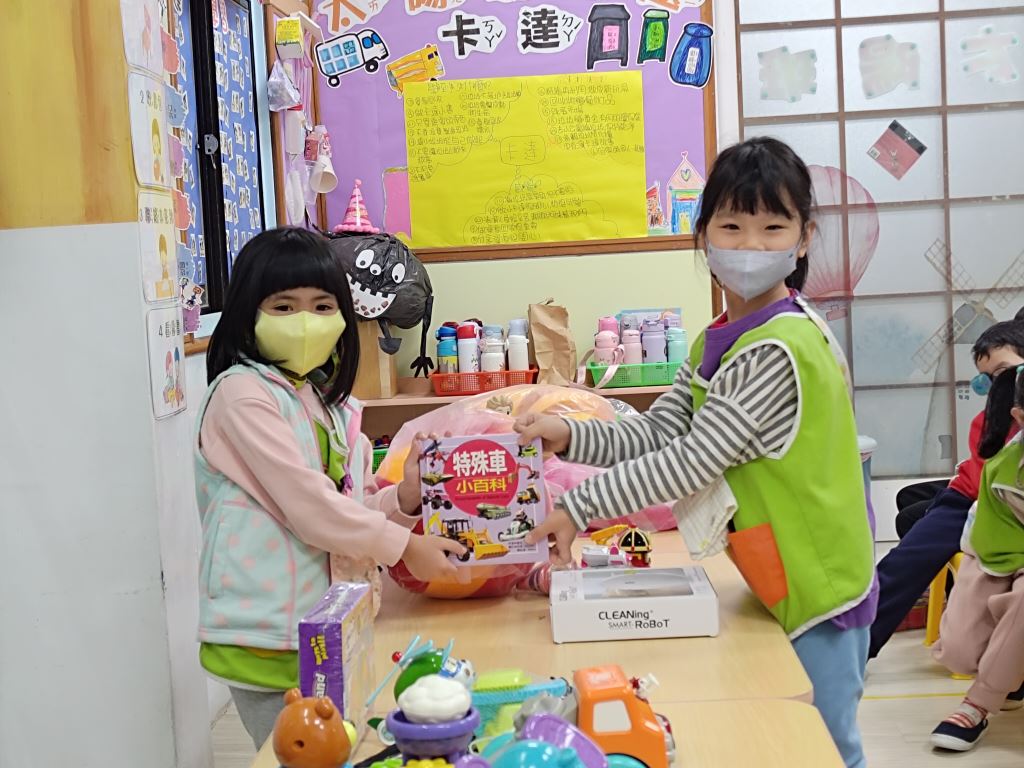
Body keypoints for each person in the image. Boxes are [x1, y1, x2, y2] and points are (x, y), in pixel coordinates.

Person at [517, 137, 875, 768]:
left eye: (773, 228)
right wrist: (569, 434)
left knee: (823, 747)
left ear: (804, 239)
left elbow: (691, 461)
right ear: (702, 234)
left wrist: (579, 506)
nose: (751, 246)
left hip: (822, 590)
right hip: (776, 573)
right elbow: (660, 433)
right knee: (777, 740)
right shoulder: (719, 338)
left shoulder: (778, 348)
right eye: (732, 226)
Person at [195, 227, 463, 748]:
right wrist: (406, 547)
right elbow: (312, 510)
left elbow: (349, 507)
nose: (306, 322)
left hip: (332, 624)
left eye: (322, 306)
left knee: (340, 748)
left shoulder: (326, 404)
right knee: (304, 754)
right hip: (268, 634)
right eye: (284, 306)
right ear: (248, 314)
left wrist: (406, 498)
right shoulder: (241, 396)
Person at [869, 319, 1024, 658]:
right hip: (970, 501)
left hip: (1009, 510)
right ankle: (857, 642)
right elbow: (987, 481)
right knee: (905, 562)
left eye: (1003, 371)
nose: (997, 384)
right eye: (987, 378)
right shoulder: (988, 422)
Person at [930, 365, 1024, 751]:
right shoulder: (1003, 467)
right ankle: (1012, 672)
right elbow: (984, 534)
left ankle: (978, 703)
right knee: (959, 651)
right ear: (1019, 416)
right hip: (994, 552)